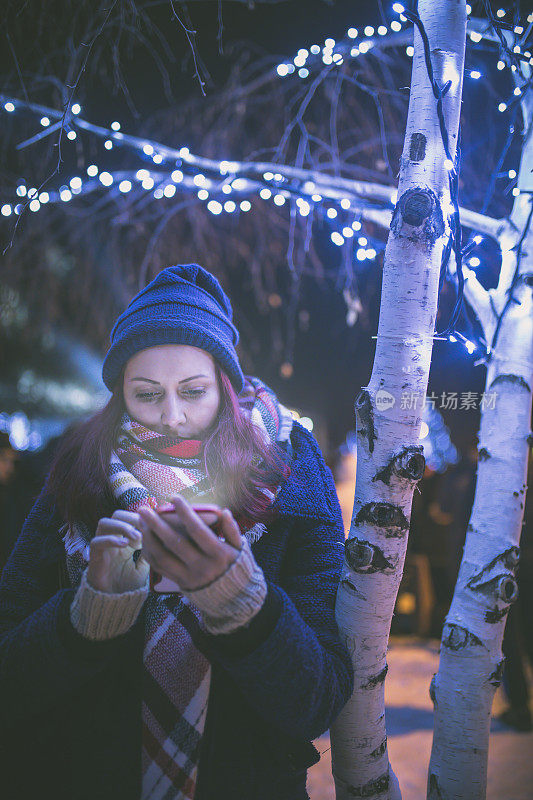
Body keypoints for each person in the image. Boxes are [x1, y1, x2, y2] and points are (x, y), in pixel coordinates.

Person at [0, 264, 354, 800]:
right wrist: (88, 615)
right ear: (121, 391)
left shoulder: (291, 468)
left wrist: (242, 603)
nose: (171, 415)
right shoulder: (78, 466)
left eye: (193, 391)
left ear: (225, 386)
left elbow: (316, 700)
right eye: (147, 394)